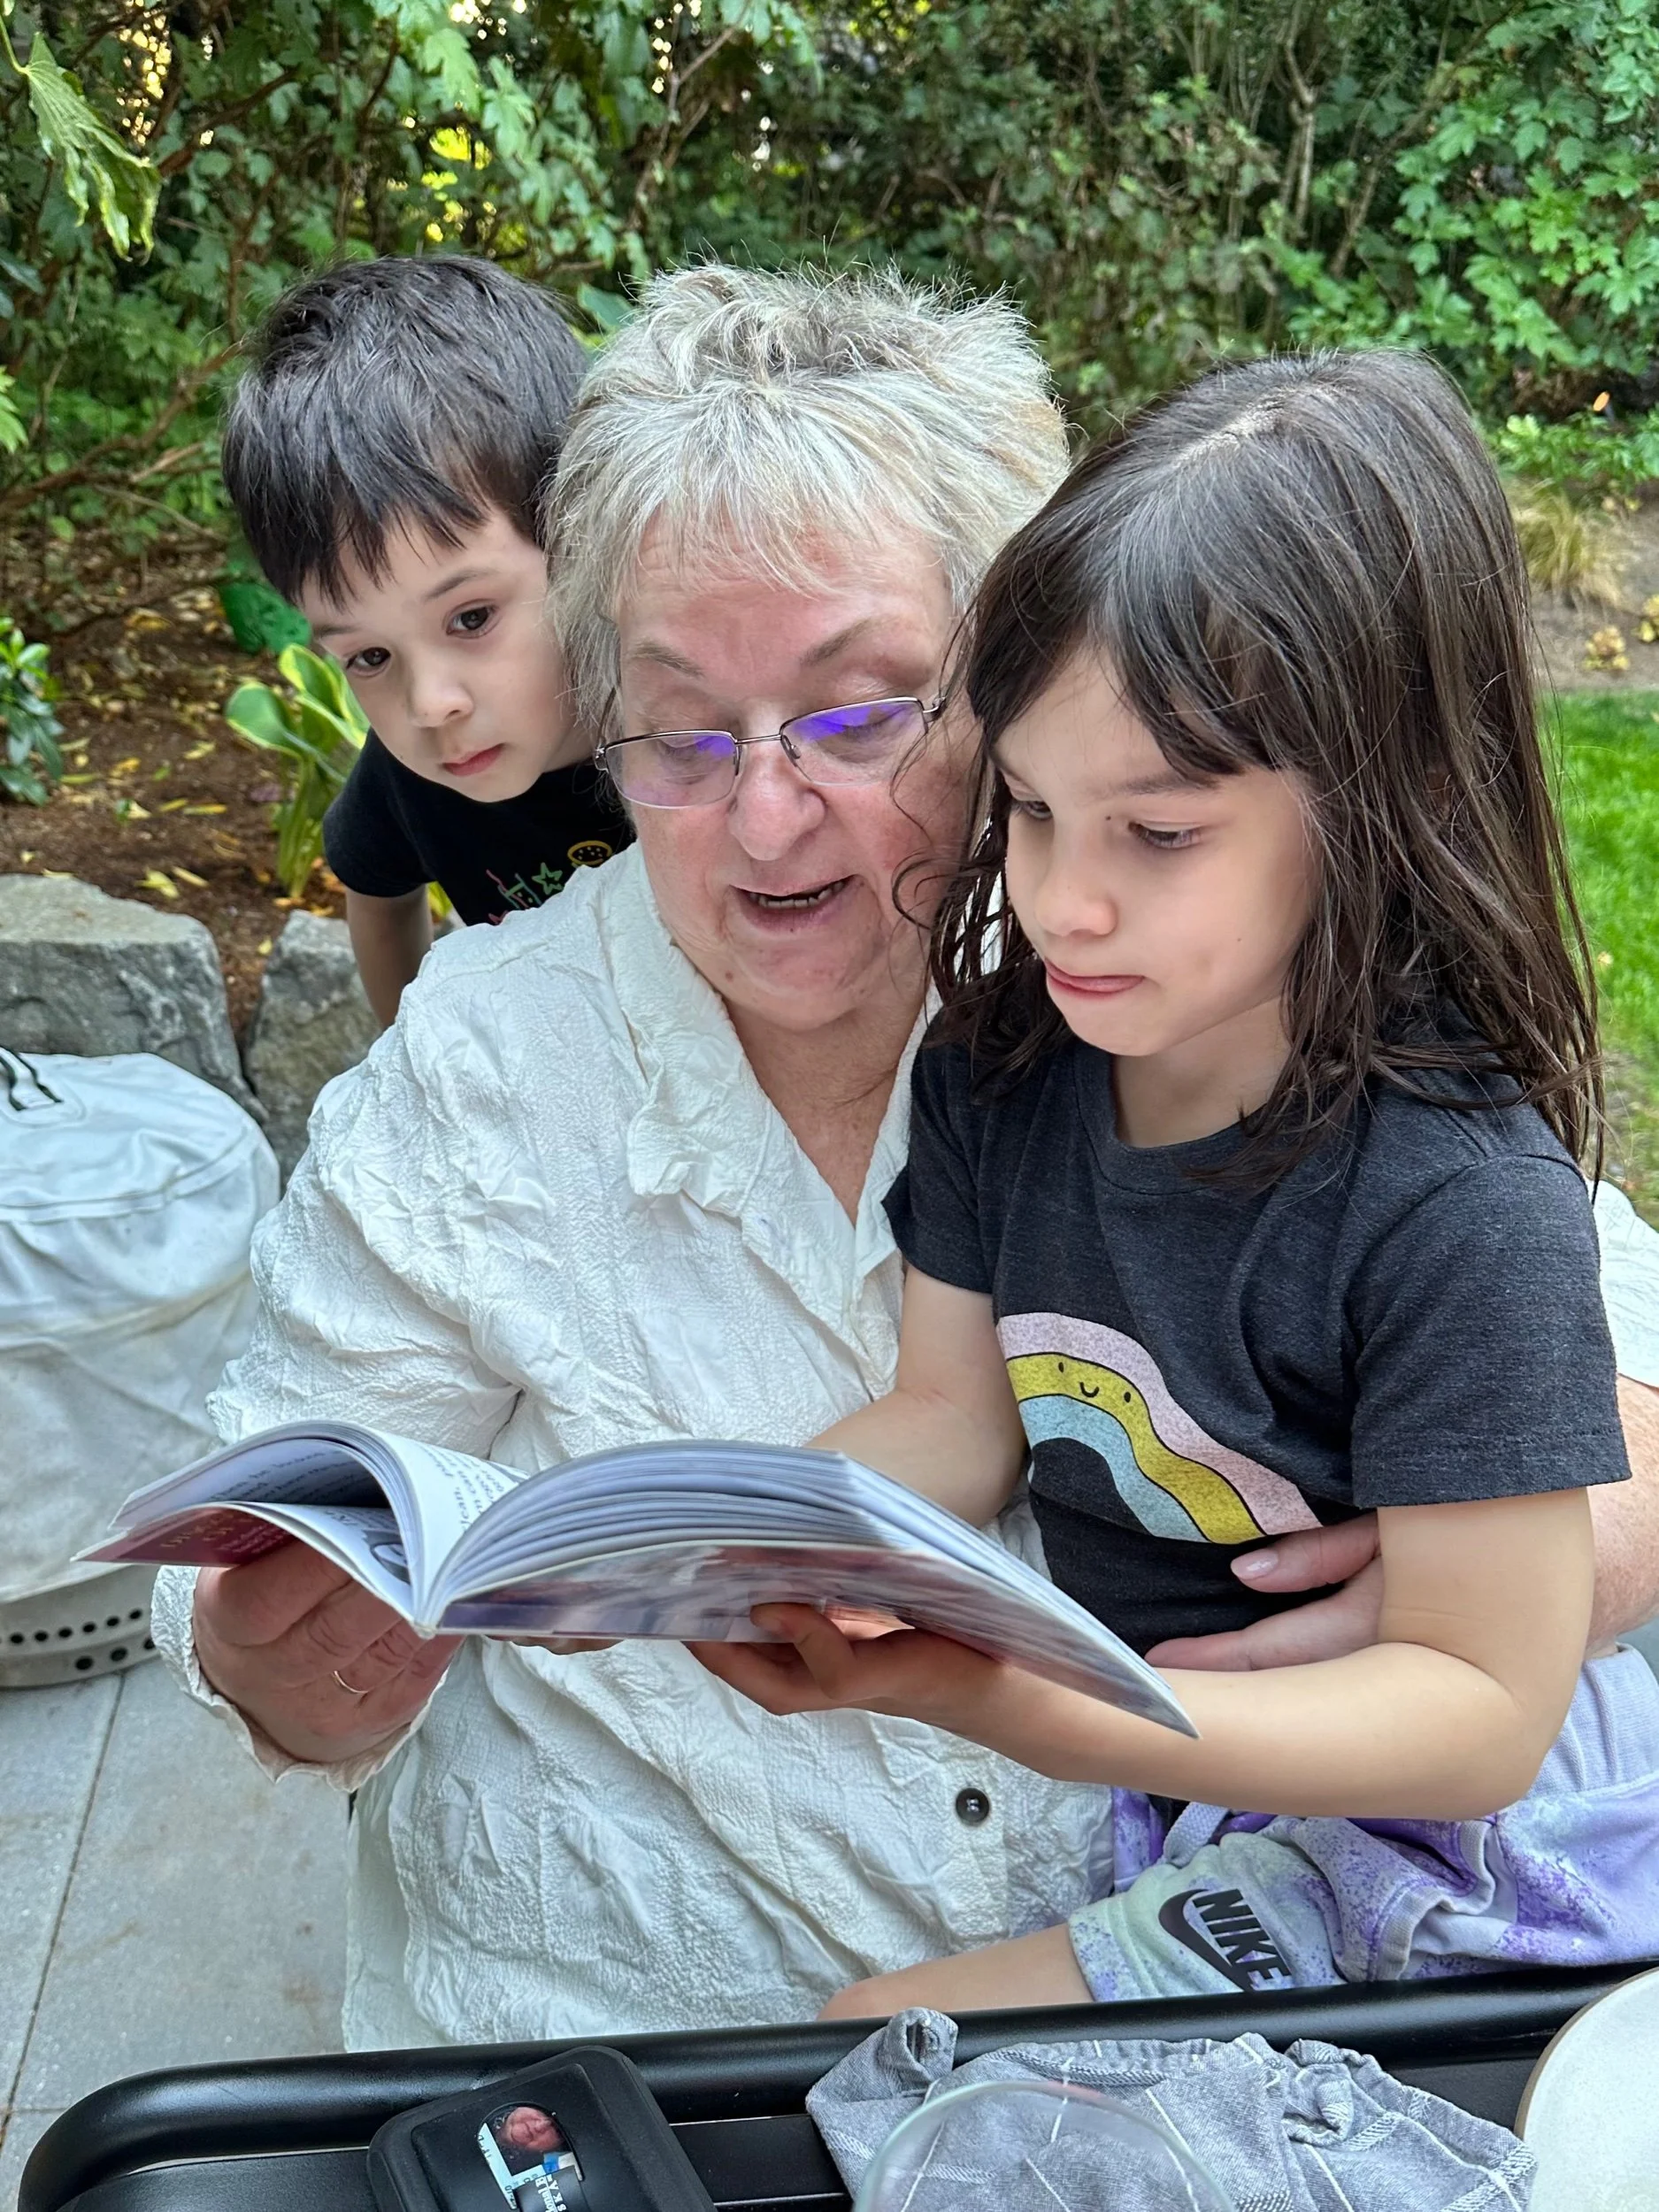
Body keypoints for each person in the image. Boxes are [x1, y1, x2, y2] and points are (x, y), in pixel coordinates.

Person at [153, 269, 1659, 2050]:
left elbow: (1566, 1293)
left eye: (859, 713)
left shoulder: (1179, 977)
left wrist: (1593, 1513)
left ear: (1013, 674)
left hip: (1281, 1958)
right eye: (681, 731)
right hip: (628, 2037)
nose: (765, 811)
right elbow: (265, 1606)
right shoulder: (490, 1063)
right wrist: (290, 1654)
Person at [694, 349, 1659, 2016]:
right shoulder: (1004, 1069)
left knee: (875, 2047)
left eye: (1157, 836)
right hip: (1214, 1788)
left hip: (1488, 1842)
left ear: (1388, 804)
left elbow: (1480, 1707)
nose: (1062, 902)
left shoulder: (1454, 1201)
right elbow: (959, 1413)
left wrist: (1038, 1702)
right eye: (1032, 811)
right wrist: (726, 1534)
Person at [220, 255, 631, 1025]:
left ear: (585, 542)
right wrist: (412, 1061)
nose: (430, 704)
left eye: (470, 618)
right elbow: (376, 896)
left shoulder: (681, 730)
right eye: (369, 657)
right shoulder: (408, 782)